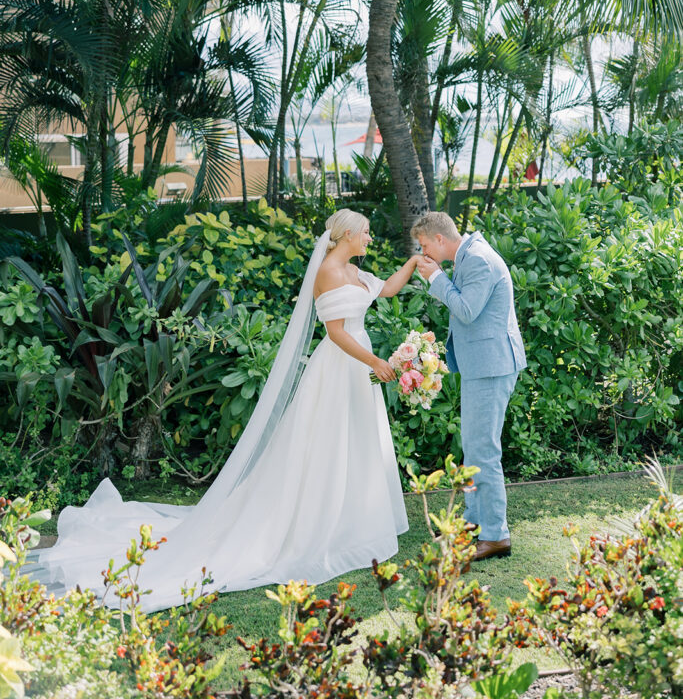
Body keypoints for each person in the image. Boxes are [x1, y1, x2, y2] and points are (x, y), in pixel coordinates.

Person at [33, 210, 417, 611]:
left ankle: (350, 518)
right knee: (327, 442)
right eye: (367, 234)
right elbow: (336, 333)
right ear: (349, 234)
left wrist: (413, 262)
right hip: (342, 366)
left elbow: (386, 289)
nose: (370, 239)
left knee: (356, 439)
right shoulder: (328, 273)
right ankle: (316, 521)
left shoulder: (355, 272)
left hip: (359, 367)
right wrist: (373, 361)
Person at [412, 211, 526, 561]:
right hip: (484, 365)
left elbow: (466, 310)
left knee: (483, 451)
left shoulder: (477, 260)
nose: (423, 251)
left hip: (491, 367)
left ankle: (495, 535)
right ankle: (475, 523)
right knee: (474, 447)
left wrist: (437, 278)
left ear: (440, 240)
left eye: (425, 244)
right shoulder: (469, 253)